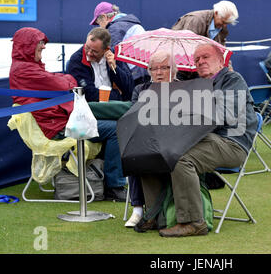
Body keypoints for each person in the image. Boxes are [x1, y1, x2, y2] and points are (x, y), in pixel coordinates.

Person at [136, 44, 257, 237]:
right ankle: (155, 215)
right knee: (151, 152)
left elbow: (224, 116)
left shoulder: (232, 80)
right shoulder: (198, 85)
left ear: (220, 60)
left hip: (232, 144)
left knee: (180, 158)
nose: (200, 62)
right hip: (205, 141)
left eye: (205, 57)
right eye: (197, 60)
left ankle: (193, 222)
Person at [10, 27, 127, 201]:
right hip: (60, 123)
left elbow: (128, 85)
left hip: (66, 114)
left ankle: (135, 109)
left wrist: (114, 68)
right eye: (40, 43)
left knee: (121, 112)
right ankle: (114, 186)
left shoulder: (28, 67)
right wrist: (67, 80)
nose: (43, 47)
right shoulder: (25, 70)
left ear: (106, 49)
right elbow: (66, 83)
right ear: (28, 46)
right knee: (116, 127)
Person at [124, 51, 179, 228]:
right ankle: (138, 209)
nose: (159, 72)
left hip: (176, 143)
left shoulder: (186, 89)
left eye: (165, 67)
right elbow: (134, 118)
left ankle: (168, 208)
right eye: (154, 68)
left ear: (175, 70)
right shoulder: (141, 90)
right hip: (148, 141)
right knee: (133, 151)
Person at [171, 0, 239, 79]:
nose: (224, 25)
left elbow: (221, 51)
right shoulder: (195, 20)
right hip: (179, 67)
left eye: (227, 23)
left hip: (197, 66)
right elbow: (186, 48)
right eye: (223, 22)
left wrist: (229, 70)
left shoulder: (222, 29)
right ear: (216, 13)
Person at [67, 27, 134, 103]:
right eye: (87, 47)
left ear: (106, 49)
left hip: (116, 106)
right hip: (91, 107)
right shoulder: (77, 60)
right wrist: (118, 95)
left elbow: (130, 88)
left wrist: (115, 68)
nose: (89, 53)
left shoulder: (114, 56)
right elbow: (87, 94)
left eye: (94, 51)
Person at [90, 1, 149, 85]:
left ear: (104, 17)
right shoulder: (128, 23)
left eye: (98, 23)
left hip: (137, 76)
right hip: (146, 71)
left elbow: (111, 54)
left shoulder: (115, 28)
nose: (100, 27)